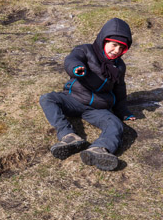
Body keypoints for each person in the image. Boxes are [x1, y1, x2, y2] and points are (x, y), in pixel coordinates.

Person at [39, 18, 135, 171]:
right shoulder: (85, 50)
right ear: (104, 41)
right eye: (114, 45)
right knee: (47, 98)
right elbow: (72, 59)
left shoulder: (119, 66)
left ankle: (99, 149)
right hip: (74, 98)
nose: (116, 50)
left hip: (97, 107)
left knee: (115, 124)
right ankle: (69, 136)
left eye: (121, 48)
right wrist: (77, 67)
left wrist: (123, 111)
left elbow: (120, 89)